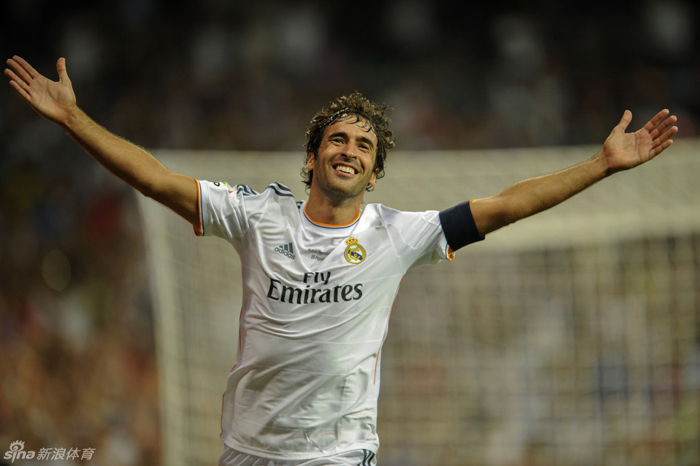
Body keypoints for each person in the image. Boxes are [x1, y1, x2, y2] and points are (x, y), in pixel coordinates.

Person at [5, 56, 677, 466]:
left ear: (374, 172)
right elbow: (155, 177)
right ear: (312, 157)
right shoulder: (256, 215)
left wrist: (602, 165)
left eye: (362, 144)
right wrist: (74, 121)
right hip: (246, 451)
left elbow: (504, 206)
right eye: (336, 139)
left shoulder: (398, 233)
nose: (348, 149)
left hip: (335, 454)